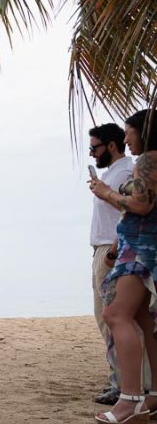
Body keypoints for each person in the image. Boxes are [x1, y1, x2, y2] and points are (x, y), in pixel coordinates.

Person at [89, 109, 157, 424]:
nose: (127, 137)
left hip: (141, 247)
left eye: (129, 132)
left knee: (115, 314)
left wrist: (106, 193)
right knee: (144, 319)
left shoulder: (148, 160)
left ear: (145, 131)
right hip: (140, 243)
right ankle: (152, 395)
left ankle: (129, 401)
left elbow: (141, 206)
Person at [88, 123, 135, 405]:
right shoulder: (112, 173)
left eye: (95, 148)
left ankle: (122, 383)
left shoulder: (125, 172)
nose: (92, 153)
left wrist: (105, 192)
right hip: (103, 249)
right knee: (105, 318)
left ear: (111, 145)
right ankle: (118, 378)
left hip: (112, 250)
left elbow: (134, 208)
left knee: (112, 319)